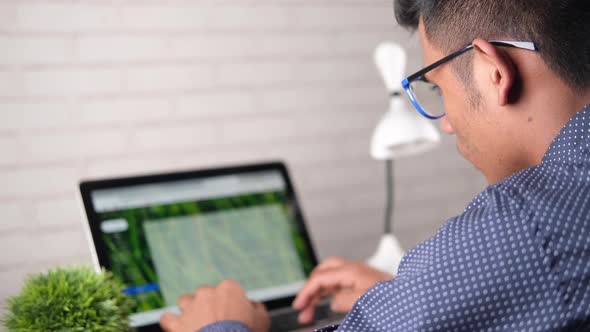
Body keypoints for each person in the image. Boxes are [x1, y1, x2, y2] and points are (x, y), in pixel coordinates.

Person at [159, 0, 590, 331]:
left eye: (437, 91)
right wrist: (405, 300)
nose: (448, 127)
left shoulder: (527, 224)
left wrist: (216, 323)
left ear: (493, 71)